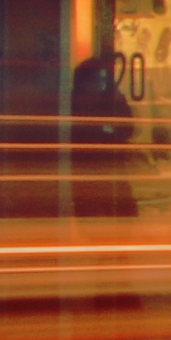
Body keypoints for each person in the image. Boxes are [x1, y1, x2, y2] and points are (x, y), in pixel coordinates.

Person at [65, 52, 135, 221]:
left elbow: (127, 128)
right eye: (97, 81)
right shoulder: (73, 106)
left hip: (111, 169)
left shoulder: (110, 102)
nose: (101, 86)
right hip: (87, 172)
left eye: (104, 81)